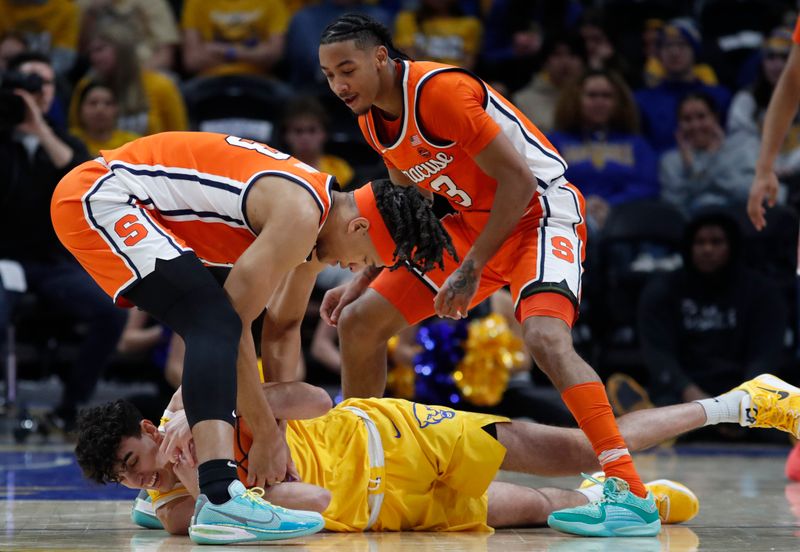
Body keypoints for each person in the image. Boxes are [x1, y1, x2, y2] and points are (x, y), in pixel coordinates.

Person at [317, 13, 657, 537]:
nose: (339, 85)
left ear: (381, 57)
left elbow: (518, 182)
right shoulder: (370, 121)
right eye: (329, 75)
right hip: (468, 226)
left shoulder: (441, 91)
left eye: (347, 69)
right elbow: (409, 207)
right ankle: (368, 468)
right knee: (360, 323)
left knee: (545, 339)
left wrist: (472, 268)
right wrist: (366, 273)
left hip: (538, 213)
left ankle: (629, 490)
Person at [50, 131, 456, 544]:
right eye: (365, 258)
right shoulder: (299, 216)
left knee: (215, 321)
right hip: (103, 195)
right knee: (213, 321)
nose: (354, 268)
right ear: (359, 225)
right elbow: (236, 324)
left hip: (131, 203)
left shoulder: (314, 223)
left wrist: (278, 430)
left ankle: (187, 489)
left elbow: (281, 328)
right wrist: (261, 433)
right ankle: (221, 496)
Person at [74, 373, 800, 535]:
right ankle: (639, 497)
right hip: (397, 509)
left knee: (579, 445)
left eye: (134, 458)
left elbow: (318, 400)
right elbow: (319, 505)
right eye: (126, 479)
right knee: (543, 511)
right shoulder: (180, 508)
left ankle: (742, 401)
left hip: (401, 436)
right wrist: (209, 484)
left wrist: (221, 416)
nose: (141, 475)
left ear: (148, 424)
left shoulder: (196, 396)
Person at [0, 52, 127, 432]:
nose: (33, 94)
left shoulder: (64, 141)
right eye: (25, 85)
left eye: (42, 86)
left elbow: (79, 178)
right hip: (5, 261)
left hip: (54, 263)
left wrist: (38, 127)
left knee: (112, 312)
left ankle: (70, 406)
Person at [638, 211, 786, 413]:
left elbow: (767, 354)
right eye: (699, 242)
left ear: (732, 246)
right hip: (684, 393)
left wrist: (740, 402)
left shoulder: (762, 292)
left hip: (743, 393)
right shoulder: (662, 290)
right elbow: (658, 354)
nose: (707, 249)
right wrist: (693, 396)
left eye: (716, 242)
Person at [549, 68, 659, 230]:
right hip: (569, 220)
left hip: (626, 220)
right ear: (576, 99)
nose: (599, 102)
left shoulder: (637, 144)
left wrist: (610, 204)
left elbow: (648, 186)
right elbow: (550, 186)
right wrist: (583, 203)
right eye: (592, 95)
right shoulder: (554, 142)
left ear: (618, 102)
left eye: (606, 96)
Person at [69, 24, 187, 137]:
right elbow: (76, 132)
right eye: (92, 51)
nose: (94, 57)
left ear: (123, 50)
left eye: (100, 49)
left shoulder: (161, 86)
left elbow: (180, 135)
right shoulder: (86, 86)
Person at [635, 18, 731, 153]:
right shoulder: (642, 100)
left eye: (682, 45)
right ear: (658, 54)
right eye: (667, 46)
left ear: (694, 51)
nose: (674, 52)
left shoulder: (720, 96)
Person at [659, 92, 759, 216]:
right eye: (687, 119)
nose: (695, 125)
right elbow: (674, 205)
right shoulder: (670, 161)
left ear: (715, 118)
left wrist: (706, 165)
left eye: (702, 117)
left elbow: (750, 193)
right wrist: (693, 167)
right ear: (679, 124)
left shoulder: (740, 149)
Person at [180, 0, 288, 78]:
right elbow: (192, 61)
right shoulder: (195, 2)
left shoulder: (272, 2)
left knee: (289, 100)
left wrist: (225, 51)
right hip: (209, 79)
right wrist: (254, 53)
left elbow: (275, 56)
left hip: (260, 78)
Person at [281, 96, 354, 188]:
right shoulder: (278, 170)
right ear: (286, 136)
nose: (305, 137)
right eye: (298, 131)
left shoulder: (340, 169)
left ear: (324, 134)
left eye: (312, 130)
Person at [393, 0, 483, 71]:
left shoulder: (470, 24)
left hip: (456, 79)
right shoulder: (407, 20)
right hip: (420, 77)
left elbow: (468, 63)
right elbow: (410, 60)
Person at [69, 80, 140, 157]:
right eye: (93, 103)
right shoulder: (68, 141)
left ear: (117, 109)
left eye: (108, 103)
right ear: (80, 109)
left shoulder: (132, 143)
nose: (100, 109)